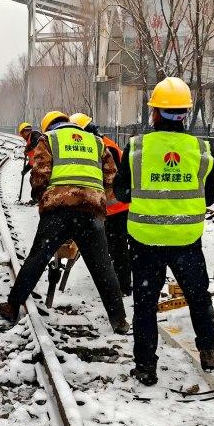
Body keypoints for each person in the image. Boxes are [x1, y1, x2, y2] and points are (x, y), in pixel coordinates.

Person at [113, 77, 214, 386]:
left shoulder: (136, 148)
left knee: (145, 305)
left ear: (155, 114)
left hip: (145, 239)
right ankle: (209, 352)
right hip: (186, 240)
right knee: (198, 296)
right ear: (185, 114)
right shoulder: (201, 149)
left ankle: (146, 367)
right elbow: (211, 193)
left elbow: (121, 192)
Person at [0, 111, 130, 334]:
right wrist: (96, 200)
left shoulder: (48, 140)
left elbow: (40, 175)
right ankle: (119, 320)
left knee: (38, 257)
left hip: (58, 210)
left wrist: (44, 200)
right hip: (90, 211)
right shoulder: (96, 142)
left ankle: (12, 306)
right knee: (103, 266)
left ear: (49, 127)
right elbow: (110, 178)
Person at [71, 113, 132, 296]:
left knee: (118, 248)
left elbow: (107, 179)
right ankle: (118, 283)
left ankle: (123, 287)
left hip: (116, 208)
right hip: (110, 207)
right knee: (112, 247)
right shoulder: (102, 144)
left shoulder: (106, 147)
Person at [17, 121, 43, 199]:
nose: (27, 132)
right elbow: (32, 161)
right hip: (38, 165)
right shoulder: (30, 140)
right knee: (34, 180)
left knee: (36, 181)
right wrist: (26, 169)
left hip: (43, 164)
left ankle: (36, 199)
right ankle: (36, 199)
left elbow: (36, 141)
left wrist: (28, 148)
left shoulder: (35, 135)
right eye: (26, 130)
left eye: (28, 130)